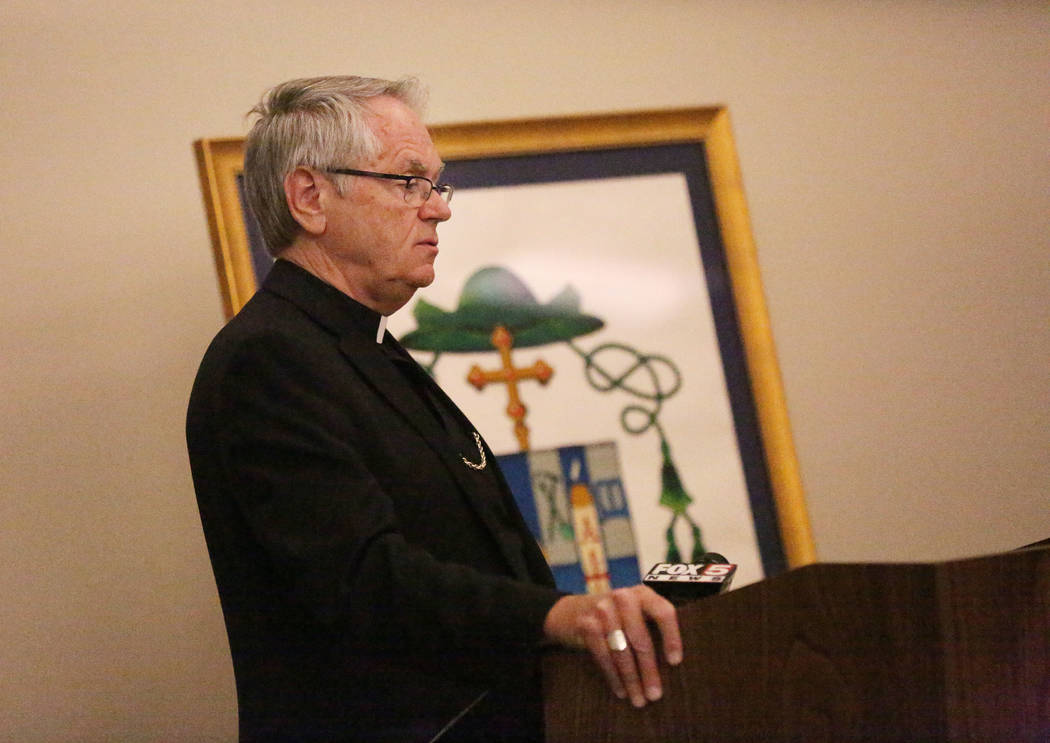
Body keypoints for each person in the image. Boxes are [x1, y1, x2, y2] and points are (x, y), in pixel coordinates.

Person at [186, 75, 682, 743]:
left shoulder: (364, 349)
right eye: (408, 181)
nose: (438, 209)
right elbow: (365, 580)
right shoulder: (272, 359)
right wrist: (557, 616)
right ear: (310, 197)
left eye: (435, 185)